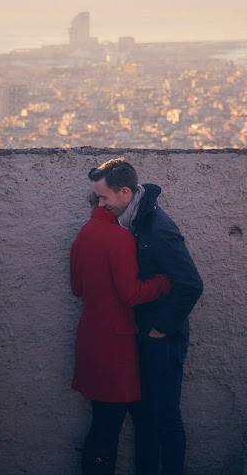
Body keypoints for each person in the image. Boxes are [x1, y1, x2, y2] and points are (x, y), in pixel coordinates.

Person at [88, 158, 204, 475]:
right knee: (144, 417)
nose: (100, 204)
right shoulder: (133, 220)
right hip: (140, 337)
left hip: (161, 340)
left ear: (124, 192)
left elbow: (191, 285)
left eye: (104, 198)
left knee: (165, 417)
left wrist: (159, 331)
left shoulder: (159, 229)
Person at [70, 194, 171, 474]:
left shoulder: (85, 233)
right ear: (108, 201)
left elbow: (76, 288)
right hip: (115, 344)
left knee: (101, 422)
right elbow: (131, 294)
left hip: (90, 337)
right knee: (110, 426)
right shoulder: (121, 238)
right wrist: (162, 282)